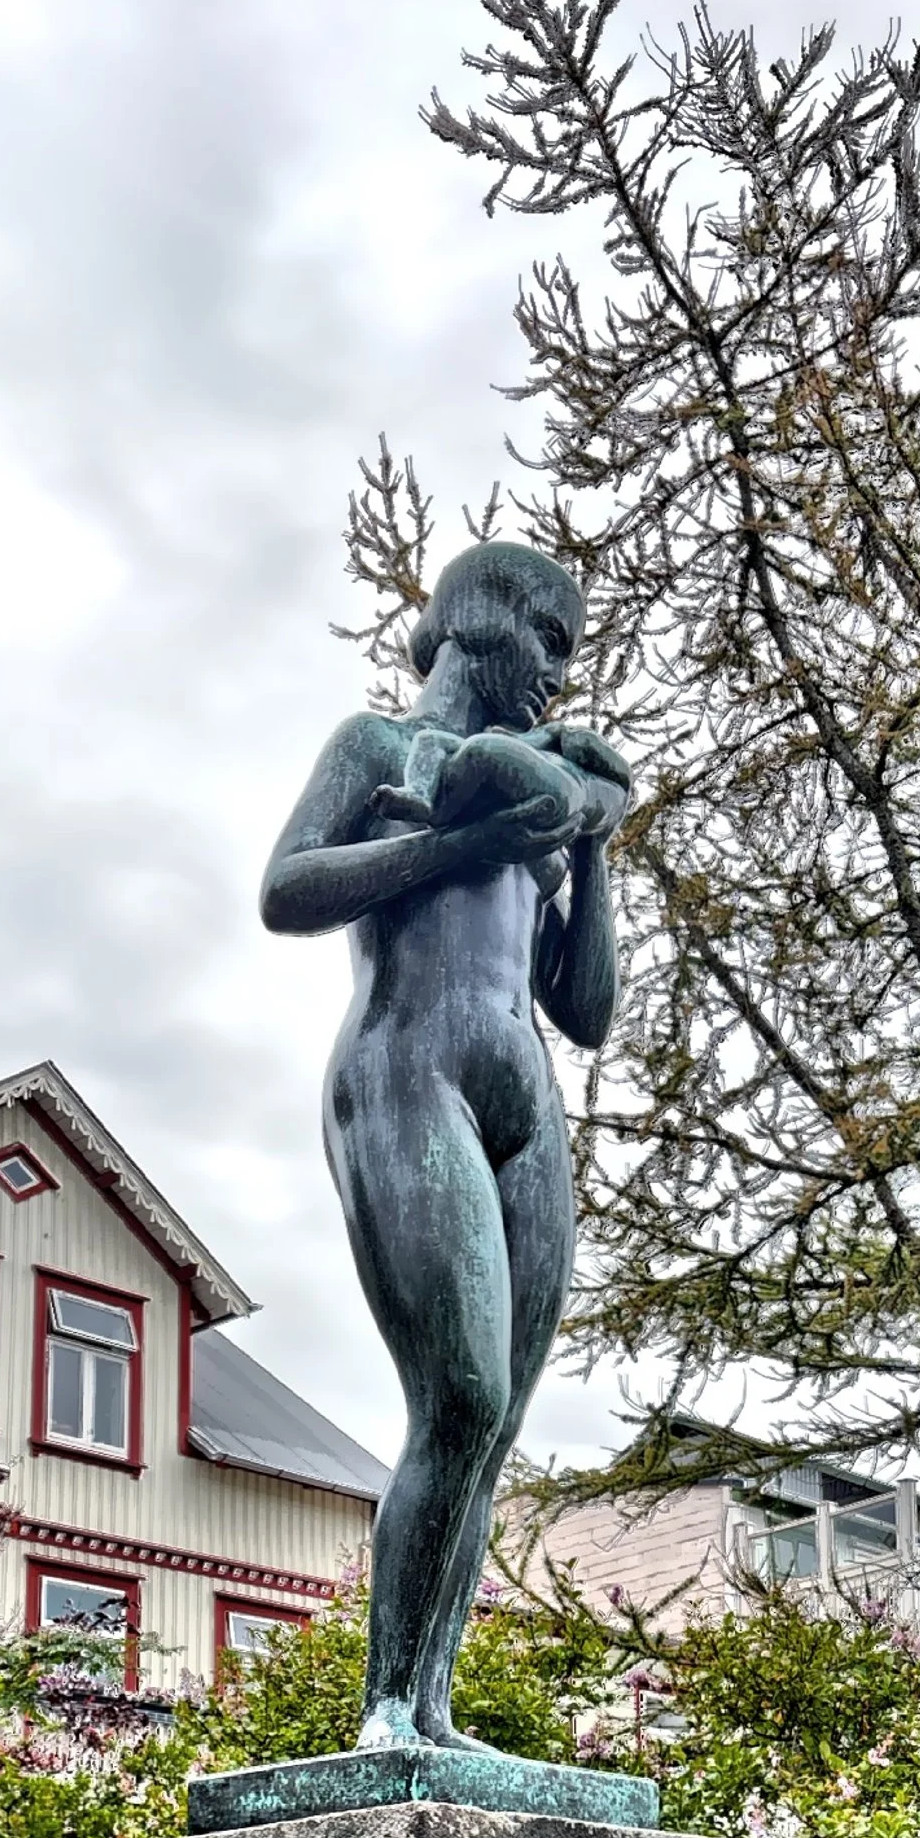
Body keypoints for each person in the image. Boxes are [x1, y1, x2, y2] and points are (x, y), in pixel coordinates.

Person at [260, 542, 628, 1750]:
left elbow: (583, 1011)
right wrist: (460, 846)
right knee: (458, 1396)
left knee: (498, 1425)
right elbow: (289, 889)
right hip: (405, 1070)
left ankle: (432, 1705)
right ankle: (381, 1712)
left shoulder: (531, 789)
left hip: (523, 1096)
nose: (557, 682)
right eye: (553, 645)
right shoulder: (381, 750)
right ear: (487, 622)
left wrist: (586, 841)